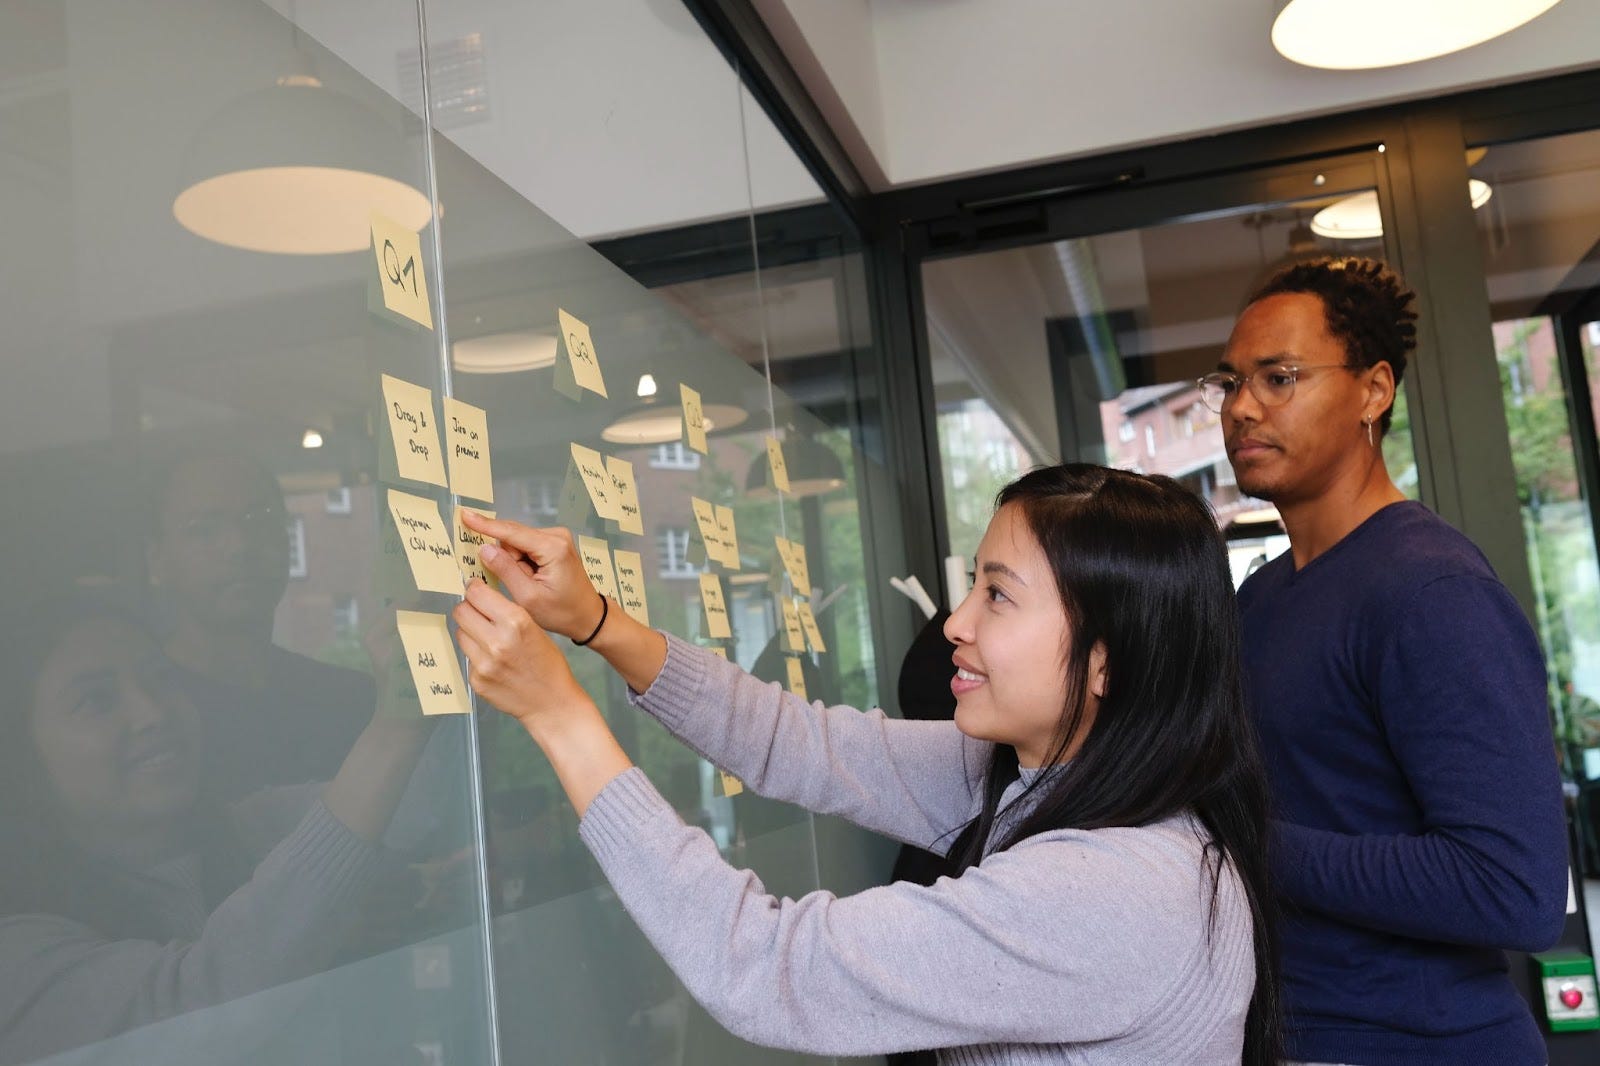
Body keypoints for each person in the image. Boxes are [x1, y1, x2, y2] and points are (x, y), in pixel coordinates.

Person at [453, 465, 1282, 1063]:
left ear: (1106, 660)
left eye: (997, 595)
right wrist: (598, 622)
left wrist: (559, 717)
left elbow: (766, 966)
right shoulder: (1036, 775)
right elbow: (793, 742)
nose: (955, 623)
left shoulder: (1118, 891)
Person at [1205, 256, 1569, 1064]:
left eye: (1279, 378)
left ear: (1374, 390)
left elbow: (1516, 889)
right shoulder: (1261, 600)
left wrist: (1248, 844)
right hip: (1289, 1035)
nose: (1240, 408)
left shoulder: (1431, 591)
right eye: (1230, 383)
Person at [0, 594, 433, 1064]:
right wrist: (396, 728)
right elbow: (202, 1008)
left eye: (160, 679)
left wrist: (456, 673)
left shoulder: (254, 826)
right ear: (22, 755)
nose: (152, 713)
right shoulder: (19, 955)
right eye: (96, 701)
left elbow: (427, 801)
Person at [145, 451, 373, 802]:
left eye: (260, 520)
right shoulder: (150, 719)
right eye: (203, 530)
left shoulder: (352, 700)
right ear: (157, 560)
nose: (240, 545)